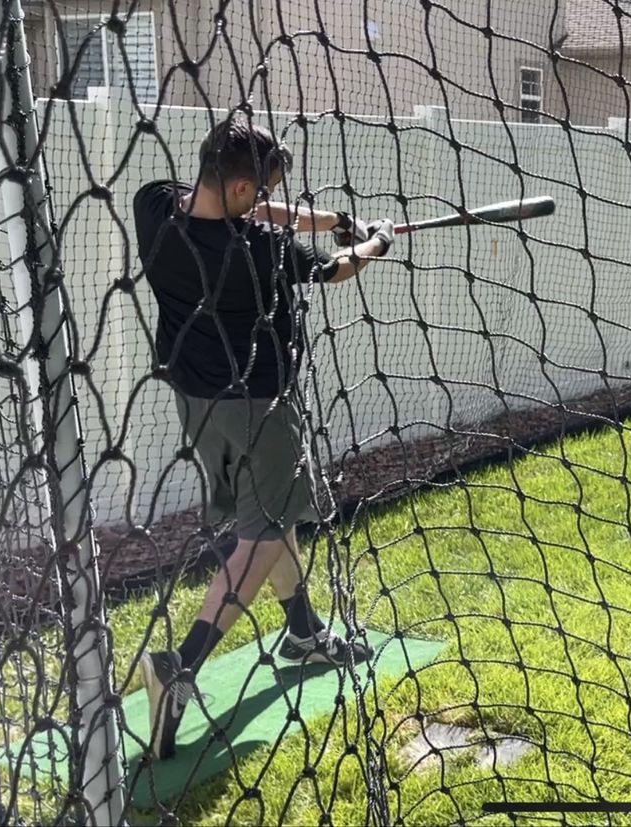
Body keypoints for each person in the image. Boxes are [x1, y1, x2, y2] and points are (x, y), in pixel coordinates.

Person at [132, 115, 393, 759]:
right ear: (245, 189)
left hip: (197, 402)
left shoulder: (155, 206)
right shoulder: (260, 252)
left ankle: (302, 631)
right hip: (260, 406)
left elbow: (260, 211)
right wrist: (375, 243)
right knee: (266, 530)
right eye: (263, 189)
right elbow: (333, 271)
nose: (270, 202)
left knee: (273, 515)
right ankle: (180, 666)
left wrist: (329, 216)